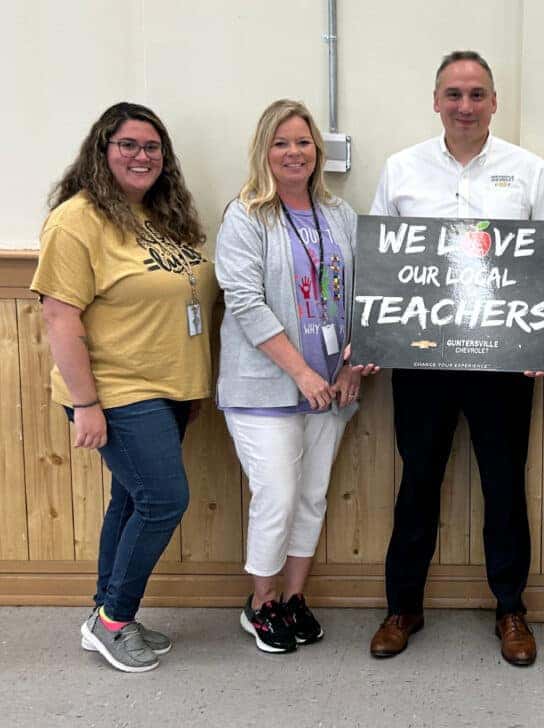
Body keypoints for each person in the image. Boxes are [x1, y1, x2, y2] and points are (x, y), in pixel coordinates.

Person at [368, 50, 544, 666]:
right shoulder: (401, 169)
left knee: (504, 484)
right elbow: (380, 260)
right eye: (454, 94)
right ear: (436, 100)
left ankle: (511, 609)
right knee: (418, 482)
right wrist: (375, 332)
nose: (465, 105)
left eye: (477, 94)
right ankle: (402, 606)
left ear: (494, 102)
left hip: (505, 361)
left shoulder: (528, 170)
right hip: (421, 362)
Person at [31, 102, 216, 672]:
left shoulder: (164, 215)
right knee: (165, 499)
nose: (142, 156)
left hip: (170, 386)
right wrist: (86, 403)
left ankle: (104, 614)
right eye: (129, 145)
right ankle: (115, 620)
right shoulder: (77, 220)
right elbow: (60, 317)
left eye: (152, 147)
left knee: (133, 497)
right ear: (102, 150)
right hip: (116, 387)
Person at [216, 99, 376, 654]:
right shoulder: (245, 216)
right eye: (281, 142)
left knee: (311, 497)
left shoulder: (341, 216)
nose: (294, 152)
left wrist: (353, 363)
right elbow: (245, 302)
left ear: (318, 151)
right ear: (264, 150)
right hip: (266, 387)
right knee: (278, 496)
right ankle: (259, 604)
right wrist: (304, 373)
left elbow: (365, 292)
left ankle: (291, 598)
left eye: (303, 142)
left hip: (332, 387)